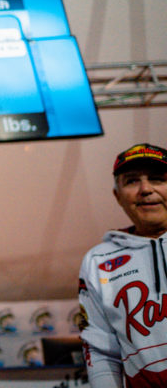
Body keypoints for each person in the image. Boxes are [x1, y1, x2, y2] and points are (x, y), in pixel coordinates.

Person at [78, 143, 167, 387]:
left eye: (157, 179)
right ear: (117, 196)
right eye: (131, 181)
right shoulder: (98, 262)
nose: (145, 189)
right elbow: (100, 349)